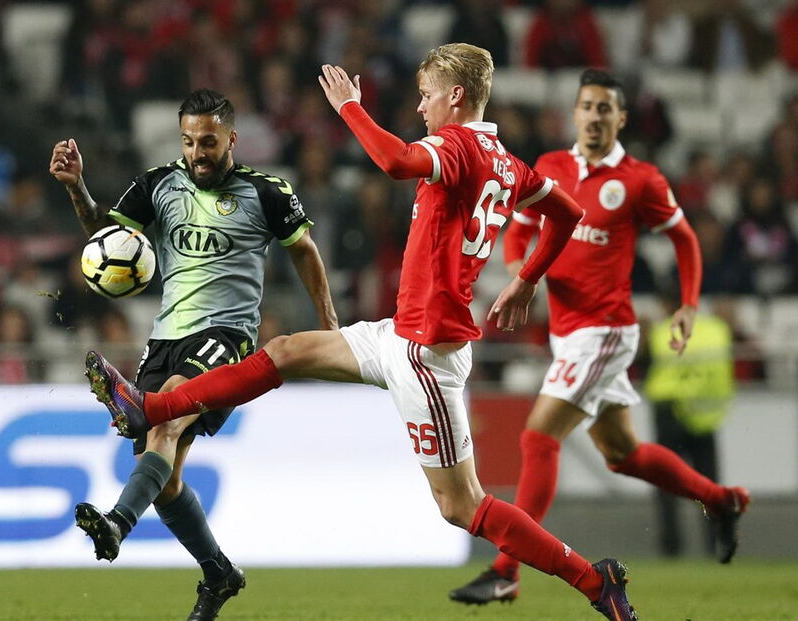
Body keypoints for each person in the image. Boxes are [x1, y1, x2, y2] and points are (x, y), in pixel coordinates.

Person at [85, 45, 638, 620]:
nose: (421, 108)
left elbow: (397, 163)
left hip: (426, 355)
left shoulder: (459, 144)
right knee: (287, 350)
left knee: (461, 505)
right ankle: (152, 405)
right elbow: (568, 213)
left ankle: (594, 580)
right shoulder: (508, 162)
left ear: (455, 96)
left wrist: (350, 108)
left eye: (426, 96)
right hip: (399, 335)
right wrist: (524, 279)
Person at [448, 69, 750, 607]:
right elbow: (519, 229)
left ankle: (504, 569)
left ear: (621, 118)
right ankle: (721, 498)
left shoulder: (640, 180)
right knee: (622, 453)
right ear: (575, 112)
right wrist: (524, 276)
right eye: (586, 106)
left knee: (537, 437)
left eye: (605, 108)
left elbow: (683, 238)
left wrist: (687, 304)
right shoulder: (551, 168)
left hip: (607, 329)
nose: (594, 116)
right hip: (568, 334)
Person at [48, 88, 338, 621]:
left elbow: (305, 251)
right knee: (165, 476)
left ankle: (116, 523)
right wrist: (76, 188)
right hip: (165, 338)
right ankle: (219, 572)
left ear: (231, 138)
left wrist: (329, 324)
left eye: (208, 141)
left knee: (168, 416)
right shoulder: (159, 184)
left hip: (227, 338)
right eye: (188, 141)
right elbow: (106, 236)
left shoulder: (266, 192)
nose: (197, 152)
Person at [645, 297, 736, 557]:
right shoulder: (716, 330)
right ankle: (715, 546)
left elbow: (645, 367)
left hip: (669, 414)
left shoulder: (662, 331)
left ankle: (670, 547)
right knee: (709, 486)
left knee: (666, 486)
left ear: (666, 306)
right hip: (705, 416)